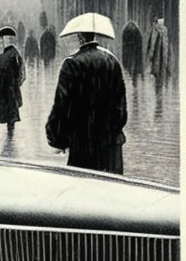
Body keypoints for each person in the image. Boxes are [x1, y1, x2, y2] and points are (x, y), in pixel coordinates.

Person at [45, 13, 127, 174]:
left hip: (83, 145)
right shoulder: (112, 61)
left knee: (83, 192)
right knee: (113, 193)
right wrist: (111, 130)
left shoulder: (71, 63)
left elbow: (61, 106)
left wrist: (58, 139)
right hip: (111, 147)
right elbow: (121, 107)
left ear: (79, 38)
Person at [0, 26, 25, 131]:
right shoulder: (2, 56)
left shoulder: (13, 55)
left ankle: (10, 132)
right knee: (9, 111)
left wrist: (14, 83)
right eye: (4, 39)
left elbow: (20, 72)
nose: (4, 41)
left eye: (7, 38)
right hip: (7, 88)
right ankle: (10, 131)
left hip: (9, 87)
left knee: (10, 111)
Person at [146, 17, 172, 87]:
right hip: (161, 61)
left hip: (160, 61)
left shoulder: (157, 31)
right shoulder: (162, 31)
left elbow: (151, 44)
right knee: (159, 77)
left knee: (158, 76)